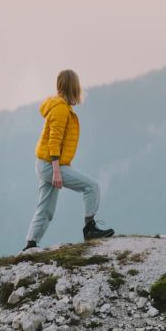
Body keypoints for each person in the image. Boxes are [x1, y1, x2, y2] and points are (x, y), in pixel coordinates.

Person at [22, 69, 115, 251]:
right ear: (73, 87)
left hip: (45, 164)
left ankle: (30, 244)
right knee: (92, 186)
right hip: (51, 164)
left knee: (45, 208)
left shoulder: (59, 107)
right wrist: (57, 170)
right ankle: (90, 229)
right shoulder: (61, 110)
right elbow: (54, 141)